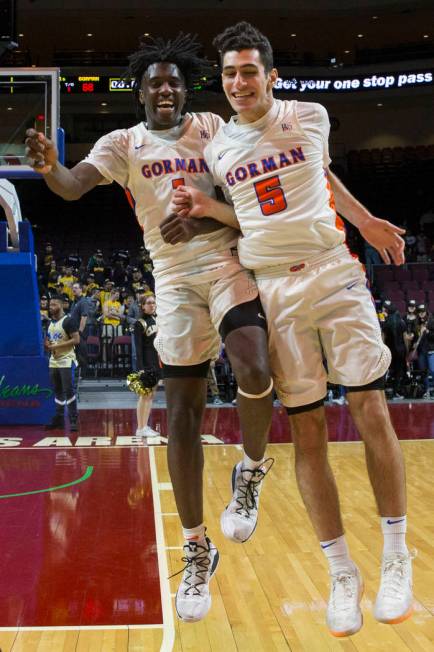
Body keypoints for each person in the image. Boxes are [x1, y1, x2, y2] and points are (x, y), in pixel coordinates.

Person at [170, 21, 411, 636]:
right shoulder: (220, 150)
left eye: (249, 70)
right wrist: (205, 208)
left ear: (271, 75)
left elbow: (321, 176)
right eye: (229, 73)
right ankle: (340, 573)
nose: (239, 82)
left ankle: (395, 553)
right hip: (273, 288)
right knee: (307, 435)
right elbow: (251, 214)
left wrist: (366, 222)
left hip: (333, 272)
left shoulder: (311, 115)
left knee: (371, 409)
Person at [25, 32, 274, 624]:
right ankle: (195, 546)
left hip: (226, 260)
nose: (165, 89)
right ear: (140, 94)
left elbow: (257, 196)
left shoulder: (214, 128)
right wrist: (52, 166)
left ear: (185, 89)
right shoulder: (122, 143)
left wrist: (212, 217)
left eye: (173, 82)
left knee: (255, 364)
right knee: (182, 415)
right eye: (154, 83)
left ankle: (252, 467)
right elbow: (71, 187)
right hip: (170, 278)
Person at [45, 295, 80, 431]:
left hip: (66, 359)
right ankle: (59, 419)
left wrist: (56, 347)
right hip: (53, 360)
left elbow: (76, 340)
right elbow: (49, 339)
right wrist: (47, 344)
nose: (51, 307)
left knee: (68, 390)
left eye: (54, 304)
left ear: (60, 305)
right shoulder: (50, 323)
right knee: (58, 391)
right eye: (50, 305)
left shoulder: (68, 321)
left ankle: (73, 419)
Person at [133, 294, 161, 437]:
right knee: (144, 395)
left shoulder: (157, 320)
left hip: (156, 362)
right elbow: (138, 348)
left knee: (151, 395)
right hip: (146, 363)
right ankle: (140, 427)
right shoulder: (139, 323)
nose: (151, 305)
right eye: (148, 303)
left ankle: (144, 426)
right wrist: (140, 368)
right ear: (142, 306)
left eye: (153, 303)